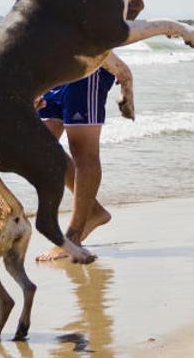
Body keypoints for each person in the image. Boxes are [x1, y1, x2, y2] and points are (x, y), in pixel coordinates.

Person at [34, 53, 133, 262]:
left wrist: (120, 70)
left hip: (87, 68)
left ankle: (73, 236)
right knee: (39, 147)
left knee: (83, 152)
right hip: (54, 70)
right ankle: (94, 211)